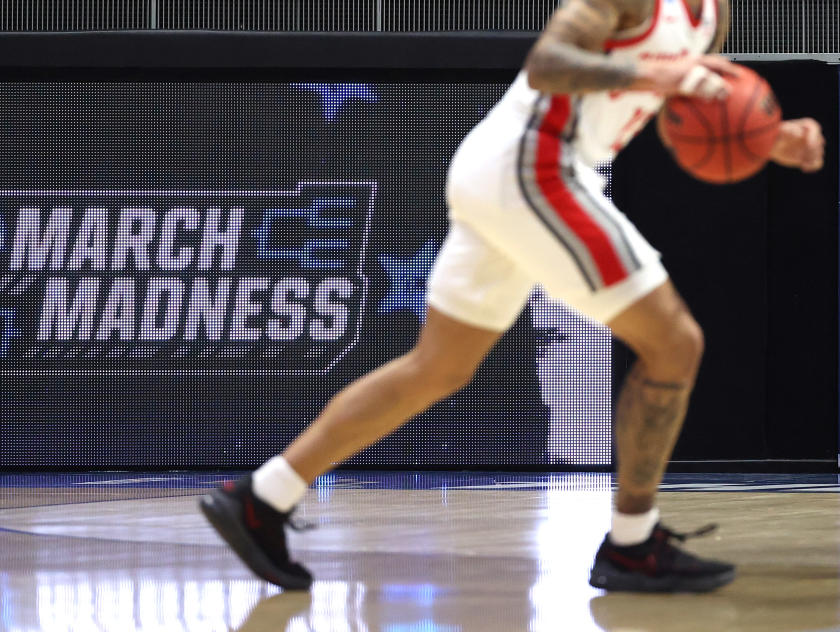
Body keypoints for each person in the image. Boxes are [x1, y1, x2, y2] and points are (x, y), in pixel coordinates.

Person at [200, 0, 825, 592]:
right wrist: (663, 69)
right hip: (536, 165)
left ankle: (260, 498)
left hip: (514, 170)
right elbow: (547, 62)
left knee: (437, 367)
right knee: (675, 344)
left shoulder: (714, 15)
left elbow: (678, 111)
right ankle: (632, 545)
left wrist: (766, 137)